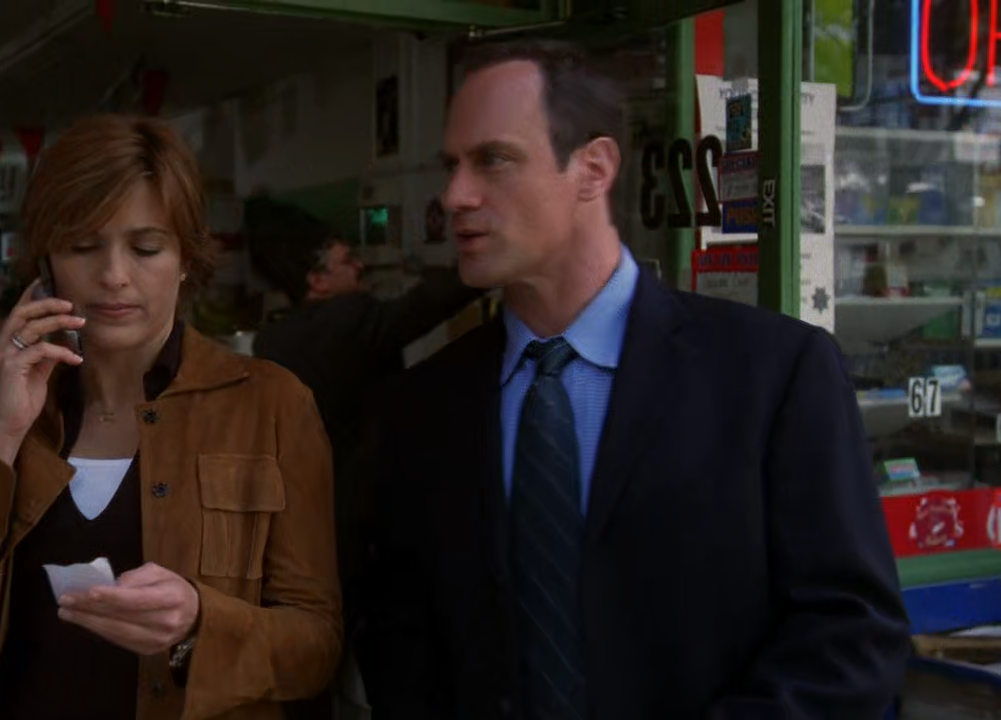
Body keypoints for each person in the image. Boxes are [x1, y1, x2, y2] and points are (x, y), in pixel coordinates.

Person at [356, 39, 909, 719]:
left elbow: (852, 636)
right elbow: (401, 643)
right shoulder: (424, 407)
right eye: (452, 166)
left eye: (493, 159)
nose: (455, 196)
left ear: (593, 168)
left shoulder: (773, 374)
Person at [0, 114, 342, 720]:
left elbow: (317, 647)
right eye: (83, 246)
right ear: (46, 265)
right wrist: (0, 439)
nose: (113, 275)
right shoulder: (6, 418)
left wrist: (200, 623)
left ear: (186, 258)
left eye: (146, 247)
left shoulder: (271, 405)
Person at [248, 200, 481, 719]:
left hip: (296, 532)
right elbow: (420, 309)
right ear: (317, 281)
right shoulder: (349, 322)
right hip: (358, 529)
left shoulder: (272, 339)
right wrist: (486, 262)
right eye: (345, 260)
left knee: (307, 677)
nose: (359, 266)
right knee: (389, 669)